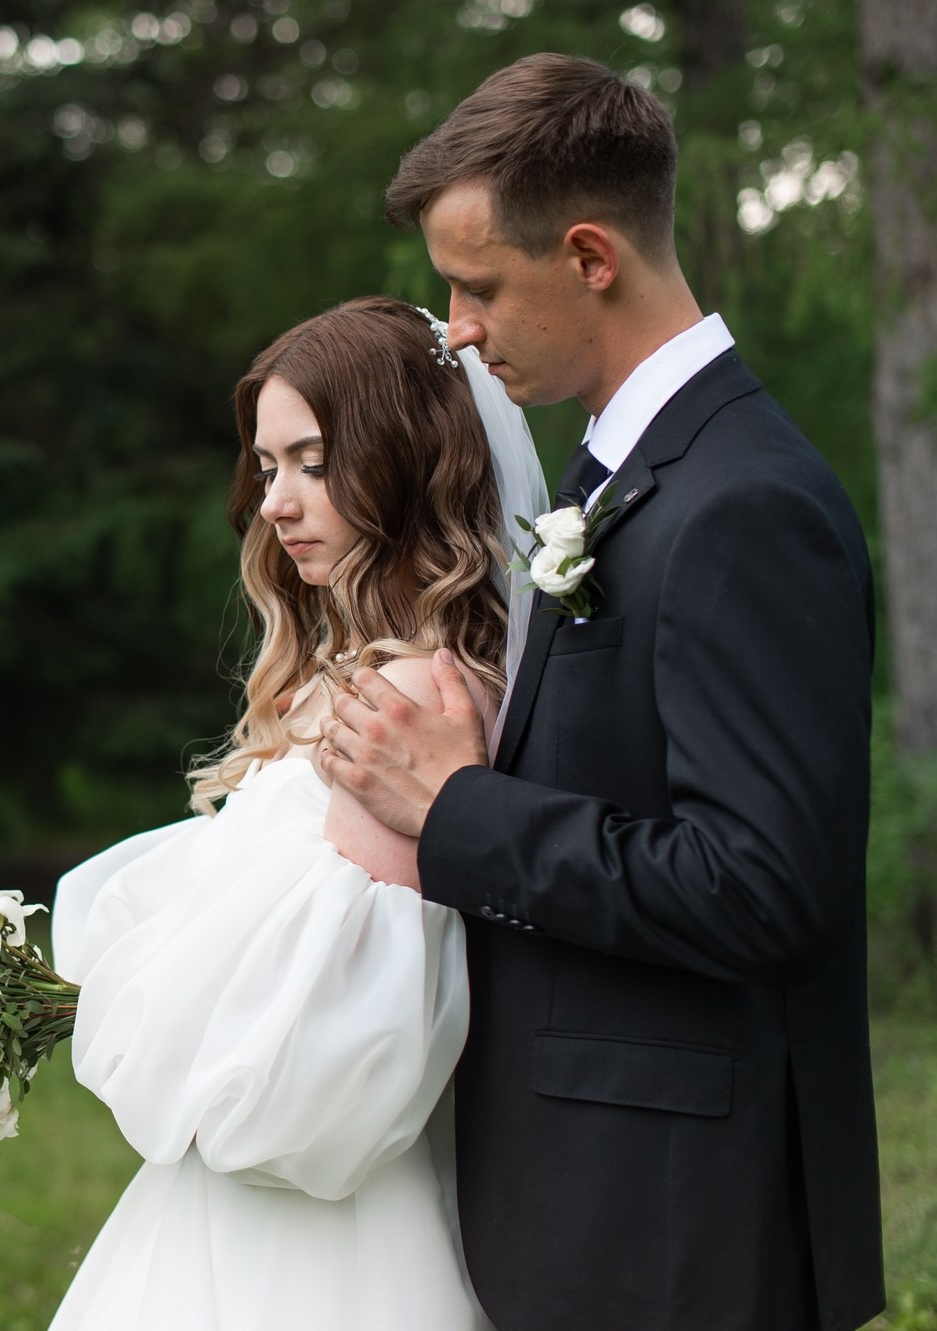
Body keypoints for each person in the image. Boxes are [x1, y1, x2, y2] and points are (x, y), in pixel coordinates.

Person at [316, 54, 885, 1331]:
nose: (454, 328)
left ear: (587, 255)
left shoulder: (743, 503)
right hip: (597, 1188)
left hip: (676, 1221)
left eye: (475, 287)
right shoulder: (621, 476)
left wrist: (455, 807)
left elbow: (762, 889)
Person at [47, 295, 545, 1330]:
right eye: (266, 465)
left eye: (312, 461)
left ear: (406, 459)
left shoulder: (409, 702)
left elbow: (335, 1052)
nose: (274, 502)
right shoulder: (342, 676)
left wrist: (148, 1002)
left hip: (320, 1238)